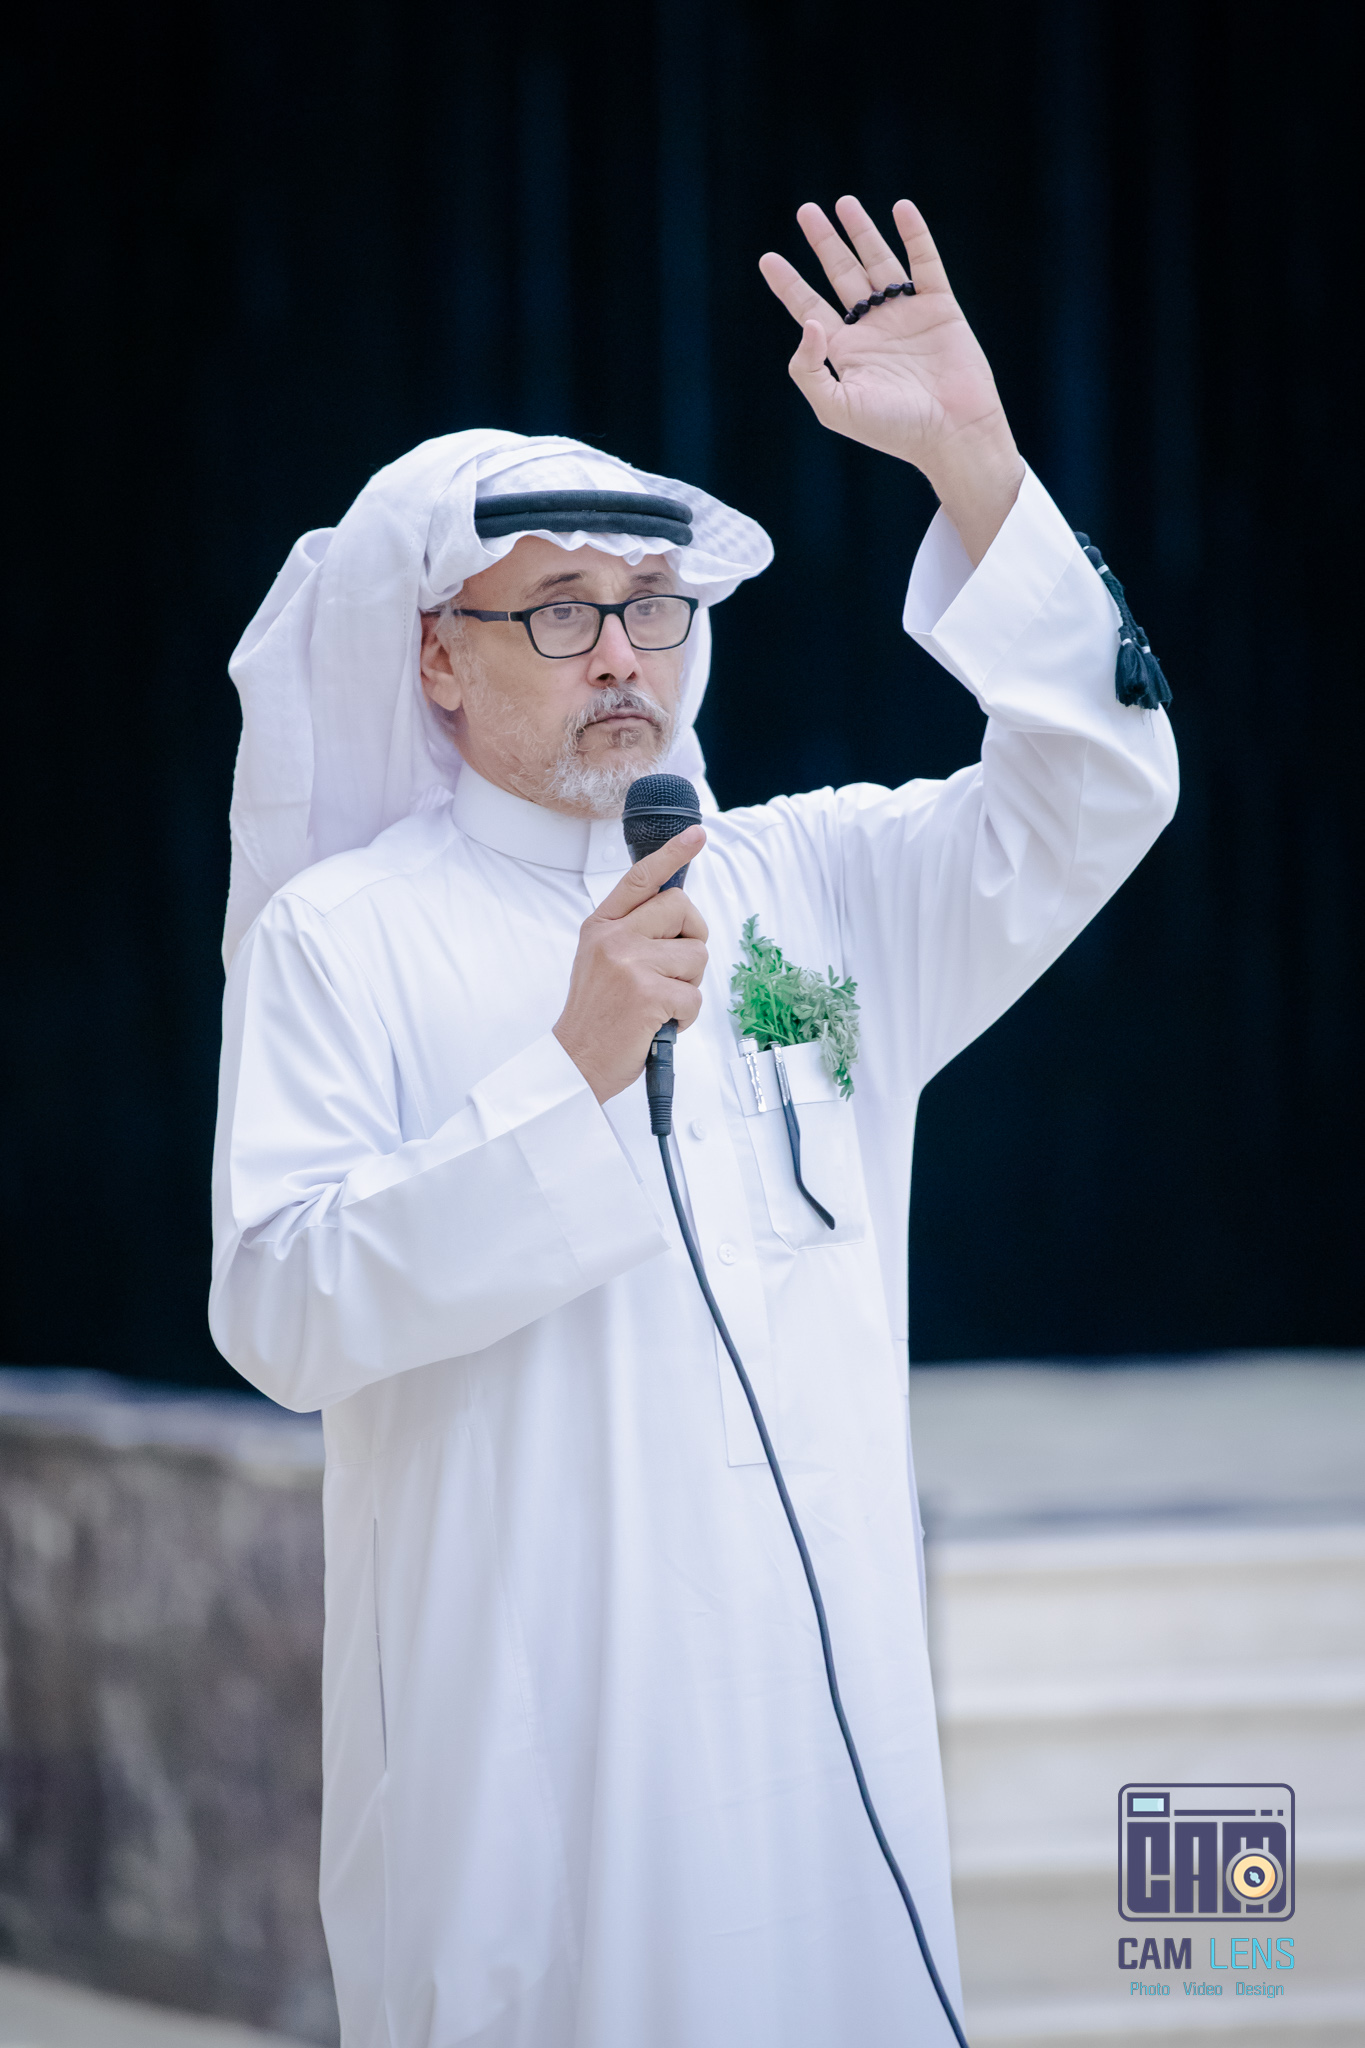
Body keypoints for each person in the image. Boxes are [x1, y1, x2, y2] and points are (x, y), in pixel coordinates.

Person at [211, 197, 1177, 2047]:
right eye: (559, 611)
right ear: (436, 657)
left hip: (812, 1744)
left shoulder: (812, 884)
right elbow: (276, 1314)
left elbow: (1100, 784)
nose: (622, 656)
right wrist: (566, 1072)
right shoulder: (346, 935)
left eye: (652, 608)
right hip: (541, 1760)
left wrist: (972, 466)